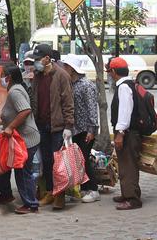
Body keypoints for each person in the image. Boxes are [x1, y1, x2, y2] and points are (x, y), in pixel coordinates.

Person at [0, 64, 41, 214]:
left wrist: (10, 127)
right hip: (21, 138)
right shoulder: (15, 89)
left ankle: (31, 204)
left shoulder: (15, 92)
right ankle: (6, 195)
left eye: (3, 75)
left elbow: (25, 110)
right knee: (5, 167)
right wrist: (1, 122)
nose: (1, 78)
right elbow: (14, 111)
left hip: (26, 139)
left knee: (23, 172)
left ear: (9, 77)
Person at [30, 44, 75, 210]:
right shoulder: (37, 75)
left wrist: (68, 125)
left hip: (57, 126)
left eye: (38, 59)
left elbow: (68, 102)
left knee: (59, 162)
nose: (36, 62)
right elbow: (34, 100)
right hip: (41, 125)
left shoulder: (62, 75)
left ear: (47, 58)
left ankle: (60, 195)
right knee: (47, 161)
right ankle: (50, 191)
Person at [61, 55, 100, 203]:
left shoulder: (86, 85)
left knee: (83, 158)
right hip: (75, 129)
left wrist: (91, 130)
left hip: (85, 130)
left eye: (65, 66)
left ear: (71, 68)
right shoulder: (71, 83)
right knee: (77, 160)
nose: (63, 69)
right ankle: (83, 189)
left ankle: (93, 189)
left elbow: (92, 109)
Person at [107, 57, 143, 210]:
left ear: (114, 72)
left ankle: (132, 199)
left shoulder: (123, 87)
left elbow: (125, 112)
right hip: (129, 131)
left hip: (127, 132)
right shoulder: (130, 84)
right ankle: (128, 192)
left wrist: (120, 133)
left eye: (109, 72)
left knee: (128, 165)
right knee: (125, 163)